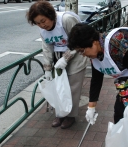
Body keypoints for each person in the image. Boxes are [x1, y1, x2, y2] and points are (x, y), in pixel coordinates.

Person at [26, 1, 87, 129]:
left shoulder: (66, 20)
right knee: (58, 86)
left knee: (72, 87)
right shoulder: (42, 30)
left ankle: (70, 116)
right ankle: (60, 113)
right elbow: (47, 48)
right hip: (58, 57)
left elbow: (80, 40)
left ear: (51, 15)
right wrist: (47, 68)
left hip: (76, 55)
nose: (42, 25)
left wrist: (66, 58)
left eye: (44, 21)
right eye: (38, 23)